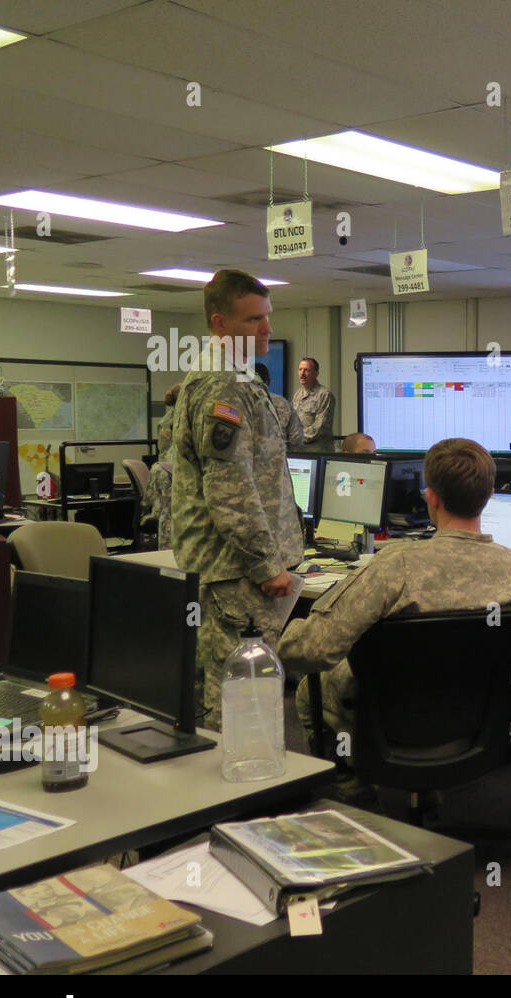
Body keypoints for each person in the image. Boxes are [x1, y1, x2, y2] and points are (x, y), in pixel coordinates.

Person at [277, 437, 511, 745]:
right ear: (490, 496)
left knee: (311, 689)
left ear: (432, 497)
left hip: (394, 711)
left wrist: (289, 629)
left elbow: (309, 651)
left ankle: (352, 784)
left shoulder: (395, 567)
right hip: (475, 711)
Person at [170, 269, 303, 729]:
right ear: (220, 323)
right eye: (253, 320)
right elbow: (230, 489)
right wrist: (266, 564)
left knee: (226, 687)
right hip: (236, 572)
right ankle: (235, 792)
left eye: (267, 317)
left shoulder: (237, 377)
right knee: (236, 696)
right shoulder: (223, 385)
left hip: (231, 568)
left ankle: (232, 788)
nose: (266, 329)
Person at [143, 383, 180, 547]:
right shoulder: (174, 419)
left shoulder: (174, 415)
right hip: (170, 469)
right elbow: (165, 447)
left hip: (169, 466)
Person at [254, 363, 304, 451]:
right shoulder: (283, 403)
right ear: (268, 381)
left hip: (247, 461)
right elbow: (296, 438)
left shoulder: (239, 402)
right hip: (277, 460)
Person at [292, 357, 334, 453]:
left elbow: (320, 427)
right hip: (298, 450)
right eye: (300, 369)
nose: (302, 374)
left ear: (316, 374)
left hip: (316, 452)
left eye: (306, 370)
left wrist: (295, 437)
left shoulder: (324, 395)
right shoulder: (298, 394)